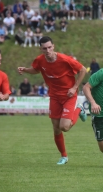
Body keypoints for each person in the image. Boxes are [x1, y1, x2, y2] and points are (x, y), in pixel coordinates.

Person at [17, 36, 87, 165]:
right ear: (41, 49)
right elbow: (36, 69)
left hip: (69, 95)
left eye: (49, 47)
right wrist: (25, 70)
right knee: (56, 129)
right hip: (54, 96)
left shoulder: (65, 59)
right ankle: (64, 156)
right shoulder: (40, 60)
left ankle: (79, 109)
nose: (48, 50)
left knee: (64, 127)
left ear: (53, 46)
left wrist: (75, 87)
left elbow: (83, 70)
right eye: (45, 48)